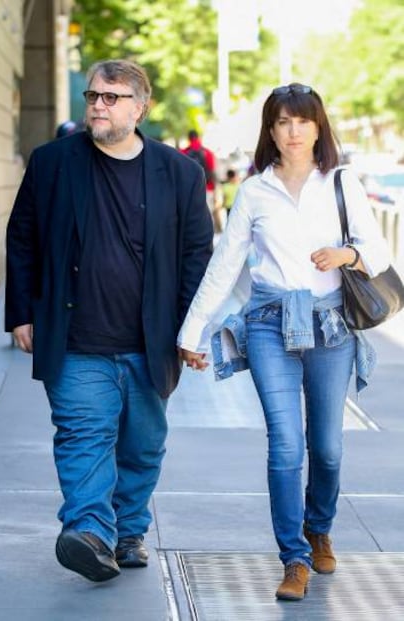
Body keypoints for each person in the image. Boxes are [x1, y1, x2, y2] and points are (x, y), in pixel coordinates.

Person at [177, 83, 390, 601]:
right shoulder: (254, 191)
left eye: (302, 121)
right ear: (270, 131)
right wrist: (190, 331)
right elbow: (225, 265)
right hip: (270, 324)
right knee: (286, 445)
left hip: (331, 327)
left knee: (329, 447)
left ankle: (319, 527)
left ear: (319, 127)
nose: (292, 132)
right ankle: (293, 557)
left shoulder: (341, 182)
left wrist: (345, 256)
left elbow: (380, 254)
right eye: (281, 123)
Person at [5, 59, 213, 583]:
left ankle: (128, 531)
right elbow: (22, 236)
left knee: (142, 445)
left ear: (140, 107)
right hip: (75, 338)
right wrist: (22, 312)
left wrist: (190, 332)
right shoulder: (53, 162)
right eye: (93, 96)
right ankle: (88, 531)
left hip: (150, 341)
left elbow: (195, 255)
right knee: (83, 434)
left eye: (111, 97)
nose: (98, 105)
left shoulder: (180, 172)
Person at [181, 129, 221, 231]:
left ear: (188, 138)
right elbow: (212, 172)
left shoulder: (183, 152)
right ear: (198, 137)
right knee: (208, 214)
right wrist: (216, 189)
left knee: (192, 215)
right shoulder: (207, 152)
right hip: (207, 187)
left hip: (188, 189)